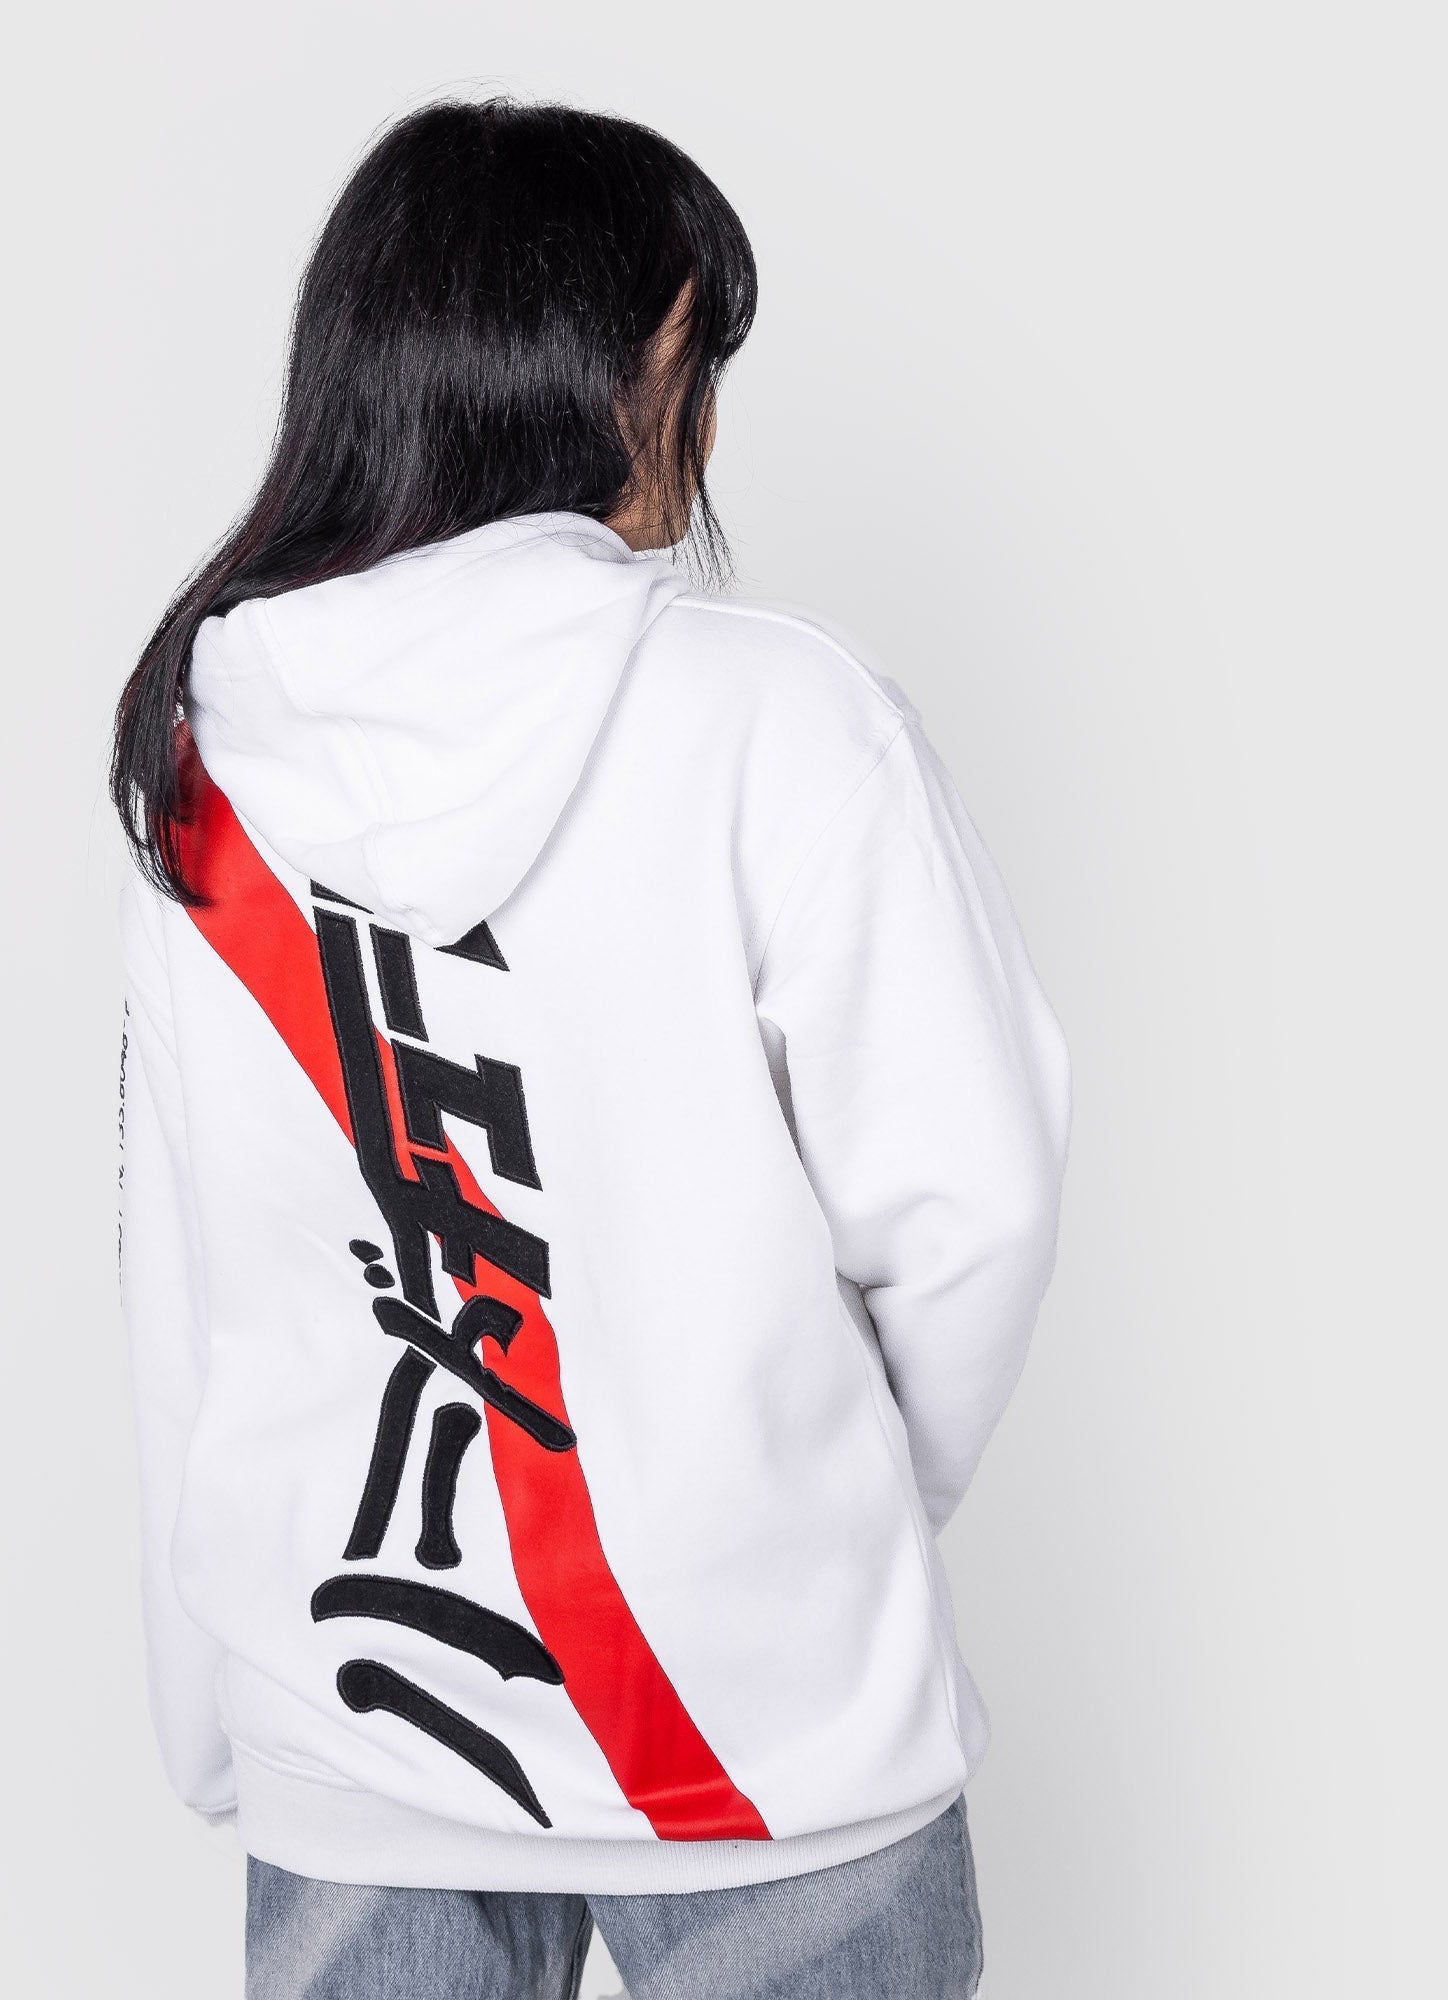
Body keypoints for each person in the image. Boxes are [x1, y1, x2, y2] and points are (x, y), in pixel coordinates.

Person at [113, 97, 1070, 2000]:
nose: (702, 427)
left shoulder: (211, 759)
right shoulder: (782, 719)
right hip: (770, 1749)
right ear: (603, 366)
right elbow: (971, 1212)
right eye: (695, 358)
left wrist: (211, 1718)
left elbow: (188, 1296)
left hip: (352, 1728)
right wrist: (806, 1532)